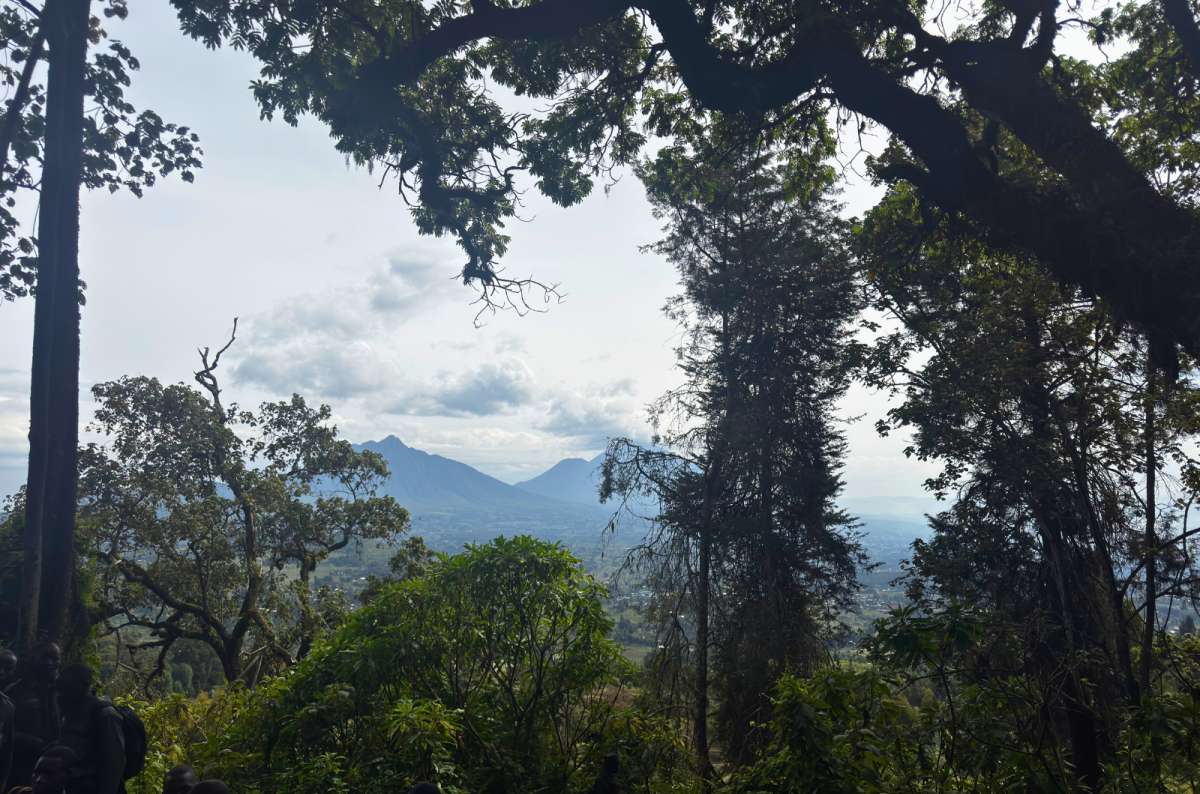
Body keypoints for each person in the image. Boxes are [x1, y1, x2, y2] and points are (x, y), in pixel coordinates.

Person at [54, 665, 123, 794]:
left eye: (67, 688)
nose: (61, 695)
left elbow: (114, 764)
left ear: (83, 686)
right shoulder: (70, 712)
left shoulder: (105, 714)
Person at [7, 643, 61, 787]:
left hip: (56, 769)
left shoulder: (66, 690)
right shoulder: (16, 691)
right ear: (33, 658)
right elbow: (4, 729)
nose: (50, 663)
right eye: (45, 657)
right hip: (21, 765)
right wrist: (29, 741)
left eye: (55, 658)